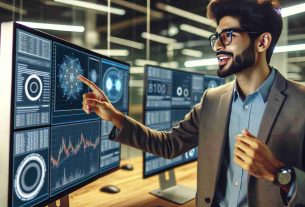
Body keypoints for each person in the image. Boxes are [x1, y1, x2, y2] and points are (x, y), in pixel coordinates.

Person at [78, 0, 305, 206]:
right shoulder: (212, 101)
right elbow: (169, 144)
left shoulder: (301, 102)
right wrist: (115, 117)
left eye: (228, 35)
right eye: (216, 37)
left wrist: (279, 172)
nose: (217, 46)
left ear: (262, 41)